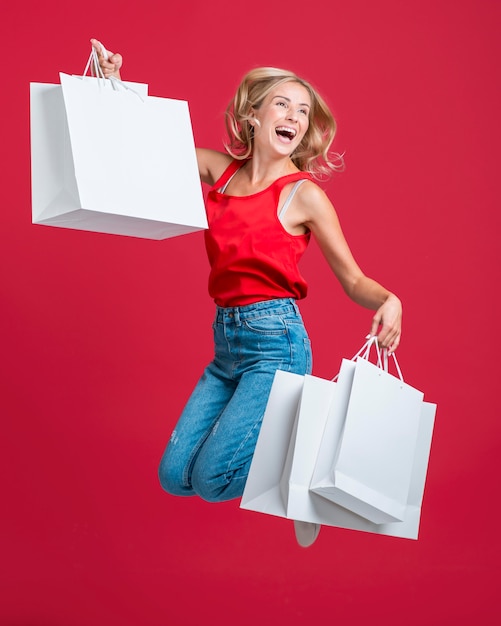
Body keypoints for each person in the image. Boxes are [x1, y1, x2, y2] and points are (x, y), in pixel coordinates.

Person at [91, 39, 403, 547]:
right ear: (251, 116)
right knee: (176, 477)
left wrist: (389, 298)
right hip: (227, 345)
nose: (294, 117)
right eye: (282, 103)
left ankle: (303, 479)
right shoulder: (221, 171)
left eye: (303, 111)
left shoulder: (304, 194)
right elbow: (147, 146)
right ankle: (294, 469)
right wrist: (113, 85)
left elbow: (352, 279)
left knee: (214, 481)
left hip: (275, 341)